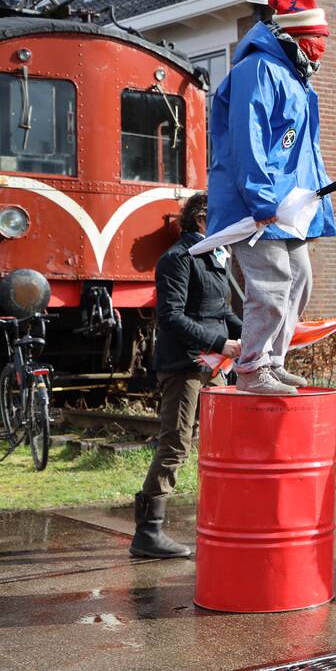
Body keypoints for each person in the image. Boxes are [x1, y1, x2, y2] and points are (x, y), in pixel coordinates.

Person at [206, 0, 334, 395]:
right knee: (273, 281)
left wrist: (314, 206)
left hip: (284, 205)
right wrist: (262, 198)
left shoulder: (293, 79)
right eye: (316, 42)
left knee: (300, 279)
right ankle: (251, 367)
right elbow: (249, 137)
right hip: (257, 204)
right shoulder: (258, 70)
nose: (320, 52)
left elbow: (301, 154)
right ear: (294, 38)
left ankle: (272, 361)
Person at [130, 193, 242, 559]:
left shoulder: (214, 257)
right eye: (224, 217)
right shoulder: (177, 259)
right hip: (185, 368)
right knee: (176, 443)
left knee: (217, 442)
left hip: (212, 366)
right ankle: (148, 534)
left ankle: (217, 517)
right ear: (202, 219)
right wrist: (220, 342)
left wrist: (262, 335)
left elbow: (222, 311)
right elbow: (171, 317)